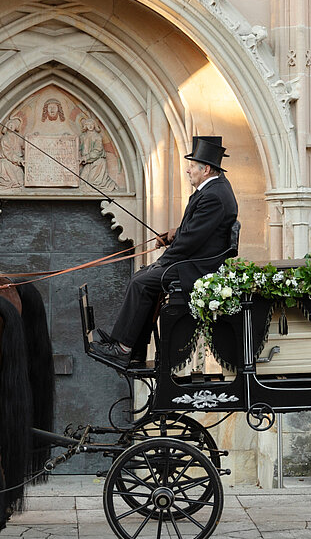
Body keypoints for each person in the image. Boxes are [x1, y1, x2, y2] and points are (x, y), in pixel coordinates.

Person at [93, 136, 239, 369]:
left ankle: (123, 348)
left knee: (141, 282)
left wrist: (163, 262)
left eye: (192, 166)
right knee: (144, 277)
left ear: (207, 169)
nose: (188, 170)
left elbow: (191, 241)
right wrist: (172, 234)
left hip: (198, 267)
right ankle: (135, 349)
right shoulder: (216, 188)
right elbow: (195, 230)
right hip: (195, 260)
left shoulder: (213, 195)